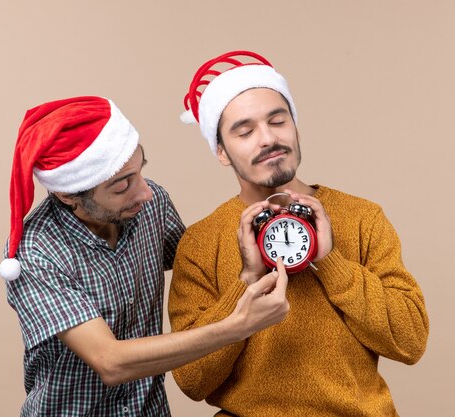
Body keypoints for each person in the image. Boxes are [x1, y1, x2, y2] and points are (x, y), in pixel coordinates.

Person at [168, 51, 429, 416]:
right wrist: (247, 280)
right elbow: (192, 381)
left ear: (296, 127)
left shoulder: (362, 217)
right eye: (244, 131)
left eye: (278, 121)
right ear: (222, 152)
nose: (267, 139)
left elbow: (410, 341)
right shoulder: (200, 242)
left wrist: (330, 261)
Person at [0, 96, 290, 417]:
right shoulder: (36, 251)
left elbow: (199, 266)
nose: (145, 192)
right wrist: (236, 327)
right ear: (69, 196)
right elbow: (111, 362)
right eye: (122, 185)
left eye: (140, 171)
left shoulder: (152, 205)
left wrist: (265, 240)